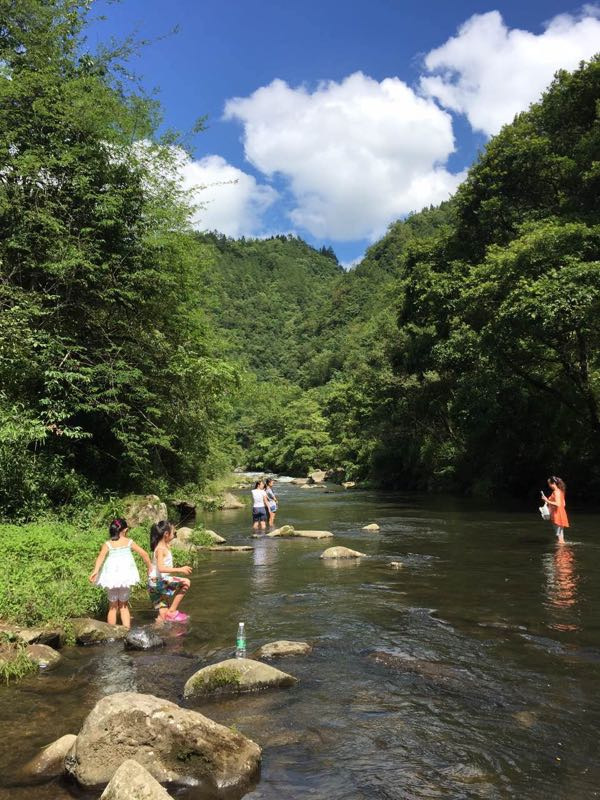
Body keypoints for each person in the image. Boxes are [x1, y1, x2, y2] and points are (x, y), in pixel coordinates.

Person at [89, 518, 152, 629]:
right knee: (123, 606)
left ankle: (111, 633)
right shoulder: (129, 542)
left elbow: (100, 557)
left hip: (111, 578)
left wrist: (95, 570)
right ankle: (126, 631)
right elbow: (144, 554)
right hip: (125, 577)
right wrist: (149, 567)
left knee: (112, 607)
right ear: (125, 530)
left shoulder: (108, 544)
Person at [148, 520, 192, 623]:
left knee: (163, 614)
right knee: (186, 582)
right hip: (157, 582)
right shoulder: (160, 549)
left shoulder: (162, 546)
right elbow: (161, 568)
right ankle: (172, 611)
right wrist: (180, 569)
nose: (175, 534)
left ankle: (155, 633)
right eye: (174, 533)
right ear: (166, 534)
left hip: (153, 584)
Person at [542, 476, 569, 544]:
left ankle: (560, 553)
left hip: (557, 515)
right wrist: (547, 500)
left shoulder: (556, 492)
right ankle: (562, 553)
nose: (549, 485)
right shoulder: (560, 491)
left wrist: (547, 501)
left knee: (560, 539)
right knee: (561, 537)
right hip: (561, 514)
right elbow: (564, 504)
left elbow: (558, 504)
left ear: (553, 483)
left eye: (549, 483)